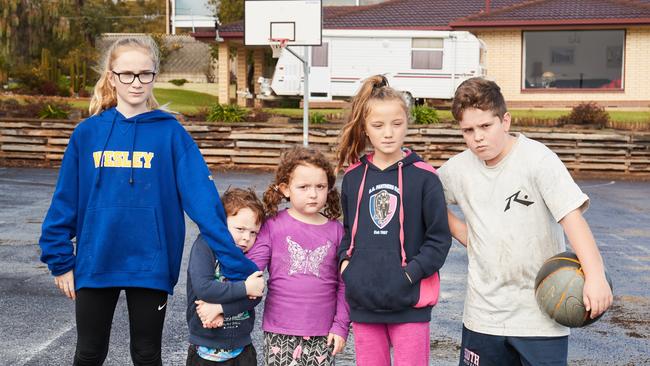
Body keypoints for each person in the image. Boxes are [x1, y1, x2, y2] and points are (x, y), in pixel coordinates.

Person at [38, 36, 258, 366]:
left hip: (150, 264)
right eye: (127, 74)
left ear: (155, 75)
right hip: (96, 260)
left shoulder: (171, 135)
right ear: (111, 76)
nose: (136, 82)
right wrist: (60, 259)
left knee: (146, 353)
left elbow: (205, 206)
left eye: (145, 74)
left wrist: (237, 268)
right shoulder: (88, 134)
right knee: (88, 352)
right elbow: (65, 200)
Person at [438, 77, 614, 366]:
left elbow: (572, 219)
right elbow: (425, 198)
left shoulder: (538, 160)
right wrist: (469, 235)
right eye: (468, 130)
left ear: (505, 120)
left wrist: (595, 276)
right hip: (484, 317)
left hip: (541, 318)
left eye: (485, 126)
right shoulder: (458, 169)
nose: (478, 137)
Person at [336, 75, 452, 366]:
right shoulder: (352, 178)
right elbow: (348, 235)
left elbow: (439, 239)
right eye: (378, 125)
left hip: (410, 303)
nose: (388, 133)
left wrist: (410, 275)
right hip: (364, 303)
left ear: (407, 124)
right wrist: (347, 268)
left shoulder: (425, 177)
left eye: (396, 124)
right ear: (365, 128)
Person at [246, 146, 350, 366]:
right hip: (279, 330)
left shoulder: (337, 231)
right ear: (285, 188)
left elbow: (345, 285)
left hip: (324, 332)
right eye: (303, 187)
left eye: (320, 187)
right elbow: (250, 269)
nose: (313, 194)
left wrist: (341, 325)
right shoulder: (273, 226)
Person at [186, 188, 266, 366]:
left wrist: (220, 308)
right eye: (240, 229)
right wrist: (245, 288)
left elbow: (254, 297)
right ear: (222, 224)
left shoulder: (248, 254)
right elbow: (204, 288)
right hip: (205, 347)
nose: (246, 238)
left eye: (253, 232)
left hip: (242, 348)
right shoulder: (205, 246)